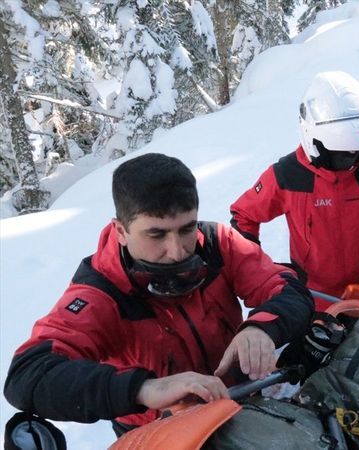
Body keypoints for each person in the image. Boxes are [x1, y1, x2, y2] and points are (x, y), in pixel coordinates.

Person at [3, 153, 314, 435]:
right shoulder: (101, 291)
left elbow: (288, 287)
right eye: (156, 234)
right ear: (121, 231)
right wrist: (144, 389)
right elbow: (28, 375)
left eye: (186, 229)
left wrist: (262, 327)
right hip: (161, 433)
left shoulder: (218, 243)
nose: (176, 251)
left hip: (239, 406)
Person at [230, 71, 359, 310]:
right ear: (317, 142)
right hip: (313, 300)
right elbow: (244, 216)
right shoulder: (289, 175)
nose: (355, 159)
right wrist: (259, 273)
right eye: (345, 153)